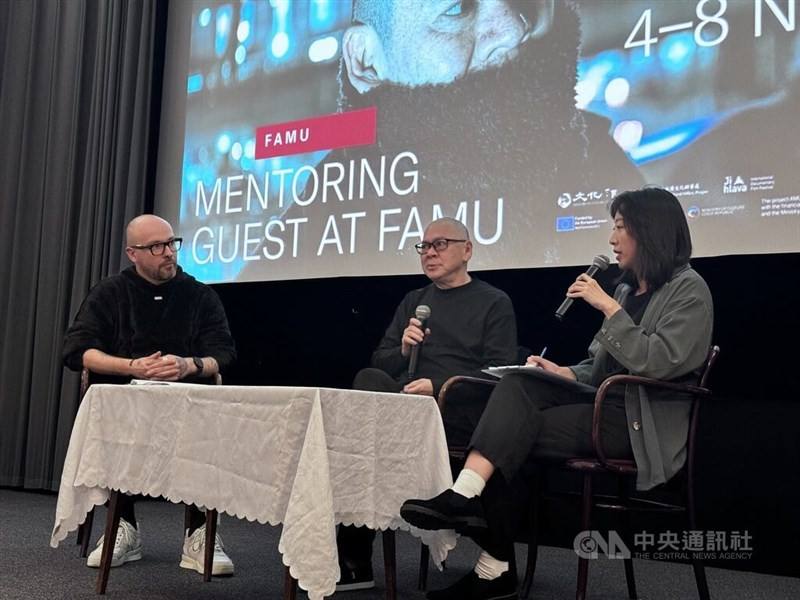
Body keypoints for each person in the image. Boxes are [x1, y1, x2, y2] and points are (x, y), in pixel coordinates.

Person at [401, 187, 714, 600]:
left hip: (639, 424)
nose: (612, 239)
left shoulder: (689, 289)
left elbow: (659, 362)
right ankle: (476, 524)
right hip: (602, 405)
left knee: (509, 430)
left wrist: (609, 310)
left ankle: (487, 549)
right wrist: (563, 371)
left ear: (650, 232)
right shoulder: (626, 291)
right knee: (516, 388)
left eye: (621, 228)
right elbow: (600, 366)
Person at [336, 217, 518, 592]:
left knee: (367, 434)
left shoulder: (494, 302)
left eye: (440, 244)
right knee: (366, 383)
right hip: (405, 408)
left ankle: (356, 551)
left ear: (467, 250)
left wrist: (438, 386)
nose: (430, 253)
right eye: (424, 246)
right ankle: (356, 557)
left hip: (459, 409)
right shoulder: (414, 302)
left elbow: (502, 373)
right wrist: (403, 348)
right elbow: (380, 361)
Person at [62, 215, 237, 575]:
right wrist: (133, 367)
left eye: (172, 243)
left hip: (189, 401)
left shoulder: (200, 295)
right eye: (156, 247)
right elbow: (77, 351)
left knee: (207, 414)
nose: (168, 253)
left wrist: (189, 365)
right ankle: (122, 525)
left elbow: (223, 354)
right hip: (129, 400)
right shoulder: (110, 292)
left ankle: (199, 532)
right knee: (109, 404)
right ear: (133, 254)